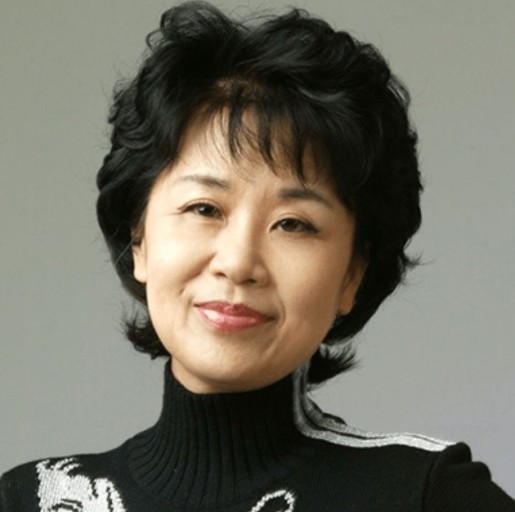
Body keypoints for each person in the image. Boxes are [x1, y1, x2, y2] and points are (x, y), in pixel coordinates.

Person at [1, 2, 513, 510]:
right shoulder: (35, 498)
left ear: (353, 273)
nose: (238, 262)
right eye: (204, 209)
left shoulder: (424, 495)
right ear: (139, 240)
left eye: (293, 224)